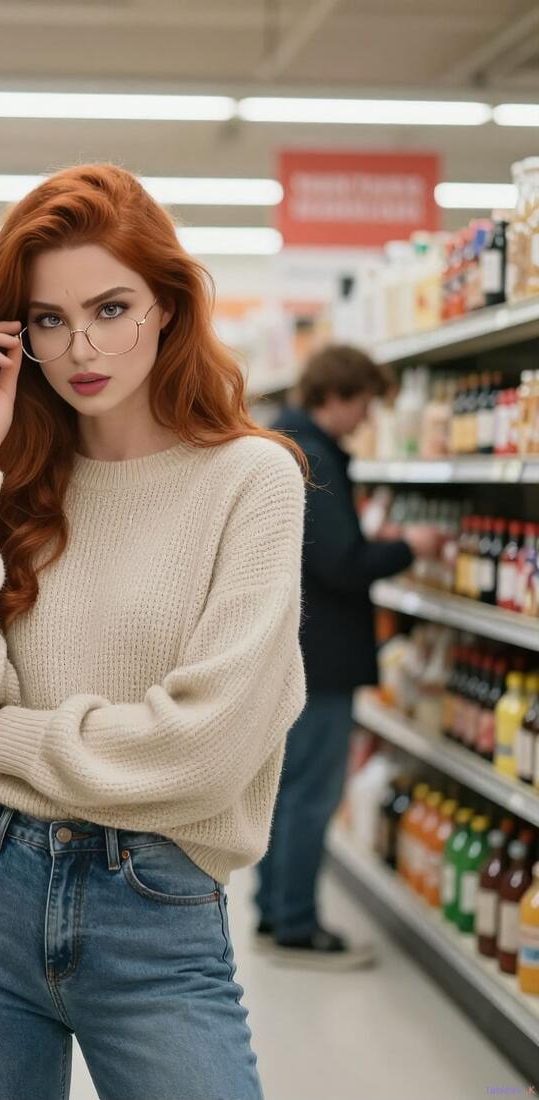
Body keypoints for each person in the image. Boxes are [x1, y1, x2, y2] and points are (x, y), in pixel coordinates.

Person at [0, 165, 307, 1100]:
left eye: (111, 309)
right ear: (16, 335)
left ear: (167, 307)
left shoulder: (252, 481)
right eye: (48, 320)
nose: (81, 349)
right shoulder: (10, 478)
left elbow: (205, 750)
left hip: (155, 908)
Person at [255, 344, 441, 969]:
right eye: (364, 403)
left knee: (287, 790)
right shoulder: (312, 456)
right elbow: (339, 563)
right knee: (311, 793)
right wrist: (407, 547)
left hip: (298, 648)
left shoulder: (288, 442)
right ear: (336, 395)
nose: (366, 419)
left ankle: (275, 912)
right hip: (322, 657)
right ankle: (296, 926)